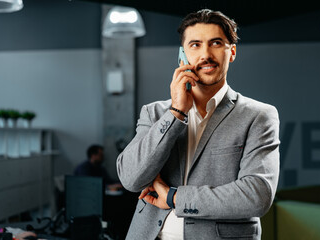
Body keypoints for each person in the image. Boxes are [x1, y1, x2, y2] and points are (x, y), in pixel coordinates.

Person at [117, 9, 280, 240]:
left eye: (215, 43)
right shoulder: (155, 113)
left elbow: (257, 195)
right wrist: (176, 112)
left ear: (231, 52)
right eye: (195, 45)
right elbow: (131, 179)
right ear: (182, 55)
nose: (205, 54)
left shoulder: (258, 116)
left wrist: (174, 197)